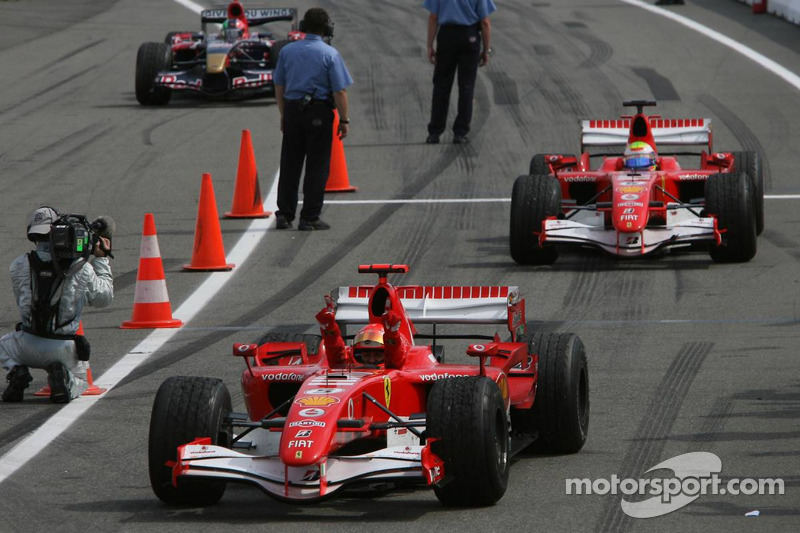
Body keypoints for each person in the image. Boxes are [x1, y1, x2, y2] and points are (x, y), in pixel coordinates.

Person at [0, 207, 113, 403]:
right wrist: (101, 259)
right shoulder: (80, 267)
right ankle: (65, 379)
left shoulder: (19, 264)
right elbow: (103, 298)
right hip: (63, 349)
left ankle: (17, 370)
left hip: (26, 344)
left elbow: (25, 299)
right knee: (82, 381)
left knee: (3, 344)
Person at [273, 7, 353, 231]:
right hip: (318, 112)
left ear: (303, 27)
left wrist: (283, 114)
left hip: (292, 110)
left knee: (290, 164)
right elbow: (340, 91)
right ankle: (309, 216)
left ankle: (284, 214)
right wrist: (344, 120)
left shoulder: (288, 51)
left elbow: (279, 85)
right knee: (317, 166)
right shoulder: (329, 54)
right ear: (326, 28)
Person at [424, 0, 496, 145]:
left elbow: (433, 17)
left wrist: (430, 45)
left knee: (441, 85)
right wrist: (487, 49)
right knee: (466, 87)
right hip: (469, 36)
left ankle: (435, 132)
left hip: (447, 37)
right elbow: (485, 21)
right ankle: (460, 132)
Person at [315, 302, 408, 369]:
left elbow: (394, 361)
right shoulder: (347, 364)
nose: (371, 360)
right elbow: (336, 358)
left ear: (386, 353)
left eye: (377, 355)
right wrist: (330, 330)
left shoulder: (395, 362)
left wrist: (392, 335)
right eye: (366, 355)